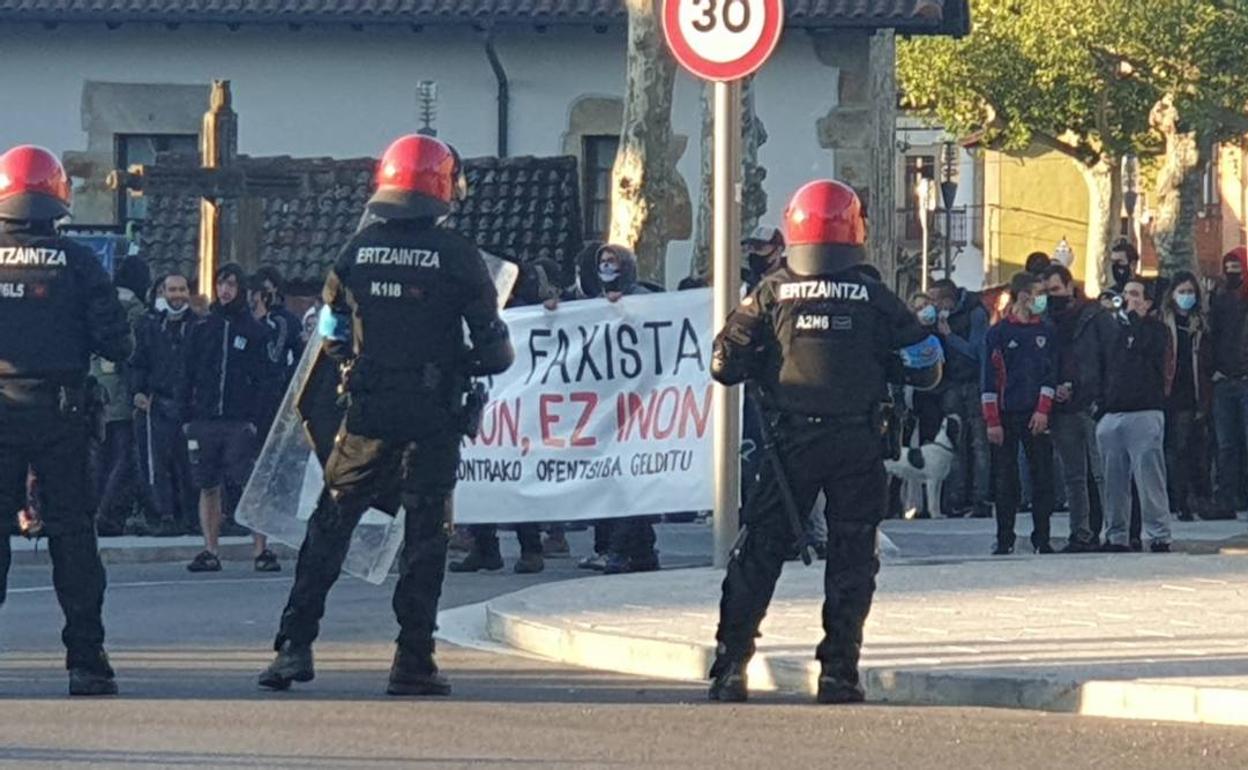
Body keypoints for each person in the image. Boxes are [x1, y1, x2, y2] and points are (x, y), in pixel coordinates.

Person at [258, 134, 514, 695]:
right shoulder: (458, 255)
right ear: (443, 187)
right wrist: (461, 362)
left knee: (330, 527)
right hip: (432, 416)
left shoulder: (357, 250)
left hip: (367, 413)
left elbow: (329, 330)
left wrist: (355, 361)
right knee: (425, 539)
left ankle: (292, 647)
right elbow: (496, 352)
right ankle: (412, 660)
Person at [706, 179, 941, 704]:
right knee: (853, 555)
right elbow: (927, 365)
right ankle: (839, 671)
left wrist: (765, 363)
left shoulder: (770, 293)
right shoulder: (876, 297)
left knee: (759, 552)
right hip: (858, 440)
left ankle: (731, 665)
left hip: (790, 442)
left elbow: (723, 363)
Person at [0, 145, 133, 695]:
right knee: (74, 538)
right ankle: (87, 661)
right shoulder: (79, 263)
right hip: (62, 414)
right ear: (57, 198)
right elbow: (117, 343)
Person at [449, 258, 561, 575]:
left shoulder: (524, 311)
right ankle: (485, 546)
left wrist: (551, 312)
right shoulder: (477, 307)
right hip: (487, 402)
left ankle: (530, 548)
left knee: (516, 479)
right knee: (482, 476)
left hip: (517, 409)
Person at [182, 262, 279, 572]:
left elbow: (266, 380)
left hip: (240, 421)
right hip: (204, 419)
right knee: (208, 484)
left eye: (231, 285)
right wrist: (186, 416)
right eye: (221, 284)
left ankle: (261, 549)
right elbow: (186, 373)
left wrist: (258, 421)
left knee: (249, 483)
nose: (225, 290)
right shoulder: (201, 328)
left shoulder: (256, 331)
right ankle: (210, 549)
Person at [982, 271, 1057, 555]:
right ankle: (1004, 539)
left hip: (1036, 414)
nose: (1043, 300)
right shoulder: (998, 334)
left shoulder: (1046, 332)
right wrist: (992, 420)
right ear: (1024, 296)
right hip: (1006, 414)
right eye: (1039, 294)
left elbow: (1050, 374)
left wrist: (1043, 410)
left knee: (1042, 477)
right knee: (1006, 479)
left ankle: (1042, 538)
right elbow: (988, 379)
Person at [1097, 280, 1174, 552]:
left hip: (1145, 411)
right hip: (1112, 412)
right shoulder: (1113, 330)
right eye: (1125, 294)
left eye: (1134, 295)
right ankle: (1116, 534)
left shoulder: (1157, 330)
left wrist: (1135, 320)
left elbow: (1148, 351)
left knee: (1149, 478)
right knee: (1113, 481)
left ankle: (1158, 534)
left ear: (1147, 302)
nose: (1127, 299)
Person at [1042, 264, 1109, 552]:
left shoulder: (1094, 316)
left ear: (1070, 286)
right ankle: (1080, 532)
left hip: (1091, 402)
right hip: (1062, 408)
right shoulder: (1045, 322)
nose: (1051, 296)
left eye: (1056, 289)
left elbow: (1106, 357)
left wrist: (1097, 394)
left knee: (1101, 473)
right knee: (1073, 476)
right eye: (1047, 292)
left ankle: (1112, 530)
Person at [130, 273, 198, 536]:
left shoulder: (199, 326)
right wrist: (137, 391)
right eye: (172, 290)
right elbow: (137, 361)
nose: (177, 295)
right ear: (163, 293)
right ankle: (164, 516)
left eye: (182, 289)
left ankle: (191, 517)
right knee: (155, 465)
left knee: (189, 465)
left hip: (190, 407)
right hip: (156, 404)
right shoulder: (149, 326)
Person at [89, 253, 149, 536]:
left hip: (98, 383)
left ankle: (93, 509)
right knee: (123, 455)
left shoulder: (103, 301)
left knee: (101, 455)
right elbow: (134, 351)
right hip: (122, 388)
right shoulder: (136, 309)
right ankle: (106, 511)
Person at [929, 278, 991, 519]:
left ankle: (980, 498)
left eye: (935, 300)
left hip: (973, 383)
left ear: (947, 300)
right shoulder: (939, 318)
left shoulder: (975, 313)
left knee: (979, 443)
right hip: (951, 383)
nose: (933, 306)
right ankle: (955, 498)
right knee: (954, 442)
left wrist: (950, 336)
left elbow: (976, 351)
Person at [1162, 272, 1213, 522]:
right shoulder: (1163, 323)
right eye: (1182, 292)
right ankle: (1178, 499)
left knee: (1194, 449)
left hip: (1194, 392)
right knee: (1175, 448)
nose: (1186, 296)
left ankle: (1193, 498)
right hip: (1171, 392)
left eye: (1190, 292)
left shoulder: (1200, 325)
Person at [1207, 247, 1248, 520]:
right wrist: (1214, 370)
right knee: (1226, 444)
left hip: (1243, 379)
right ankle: (1227, 497)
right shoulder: (1218, 300)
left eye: (1238, 270)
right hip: (1224, 380)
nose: (1233, 275)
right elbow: (1212, 338)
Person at [249, 267, 305, 440]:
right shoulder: (248, 319)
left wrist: (287, 377)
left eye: (266, 290)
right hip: (251, 392)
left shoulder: (289, 321)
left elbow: (300, 356)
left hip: (278, 392)